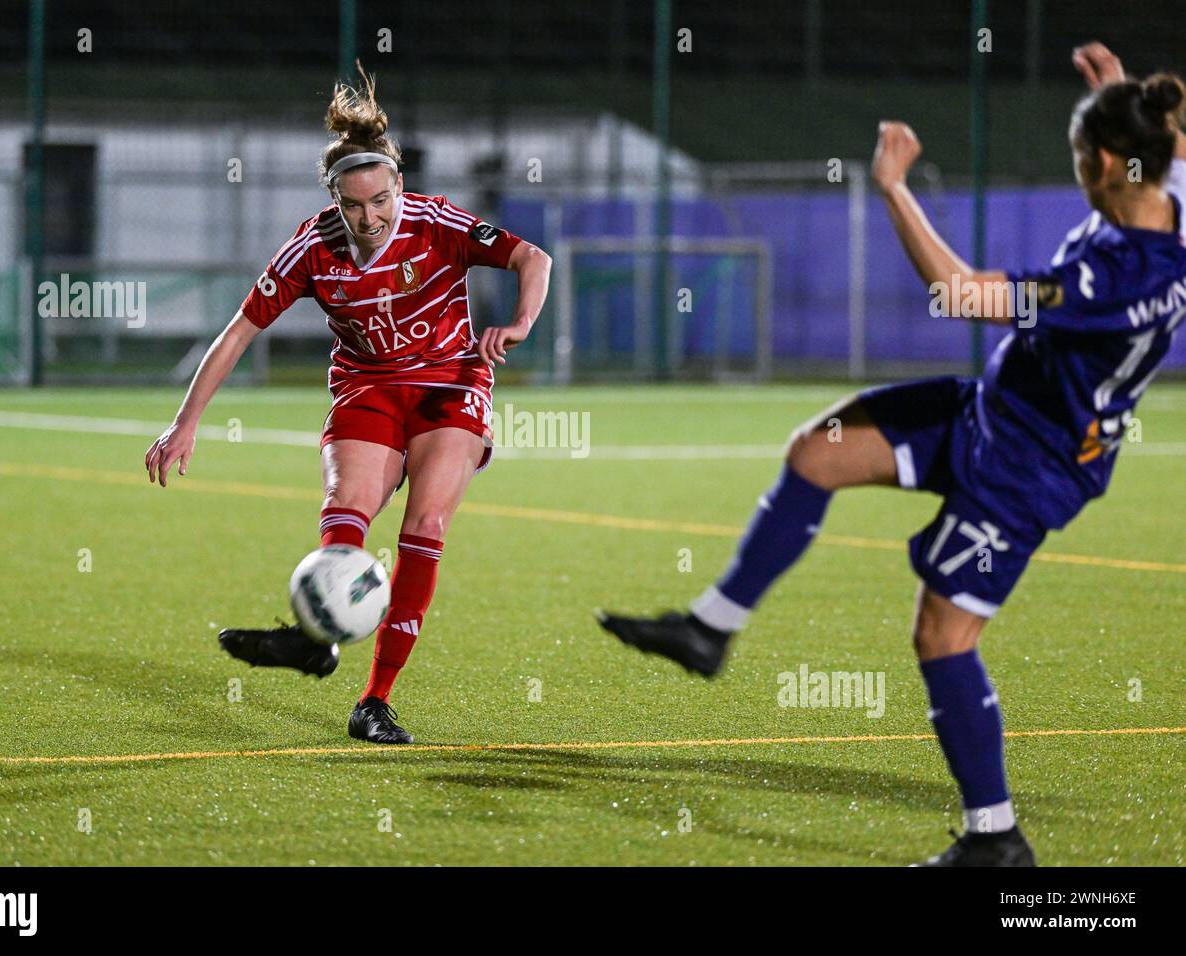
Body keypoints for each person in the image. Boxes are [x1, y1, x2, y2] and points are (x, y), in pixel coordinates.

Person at [597, 42, 1186, 866]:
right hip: (992, 411)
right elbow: (1170, 151)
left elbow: (959, 294)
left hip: (1032, 465)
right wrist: (1122, 95)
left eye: (1082, 159)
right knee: (818, 452)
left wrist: (894, 189)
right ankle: (710, 631)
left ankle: (997, 840)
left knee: (943, 639)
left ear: (1110, 164)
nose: (1080, 173)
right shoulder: (1168, 196)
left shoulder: (1118, 276)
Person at [145, 65, 551, 744]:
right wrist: (185, 422)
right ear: (335, 200)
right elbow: (241, 329)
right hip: (367, 390)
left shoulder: (436, 222)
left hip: (450, 390)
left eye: (381, 200)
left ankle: (375, 702)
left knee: (425, 526)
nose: (370, 218)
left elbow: (531, 259)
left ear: (398, 184)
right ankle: (318, 641)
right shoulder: (313, 246)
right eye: (353, 206)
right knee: (346, 519)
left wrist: (519, 324)